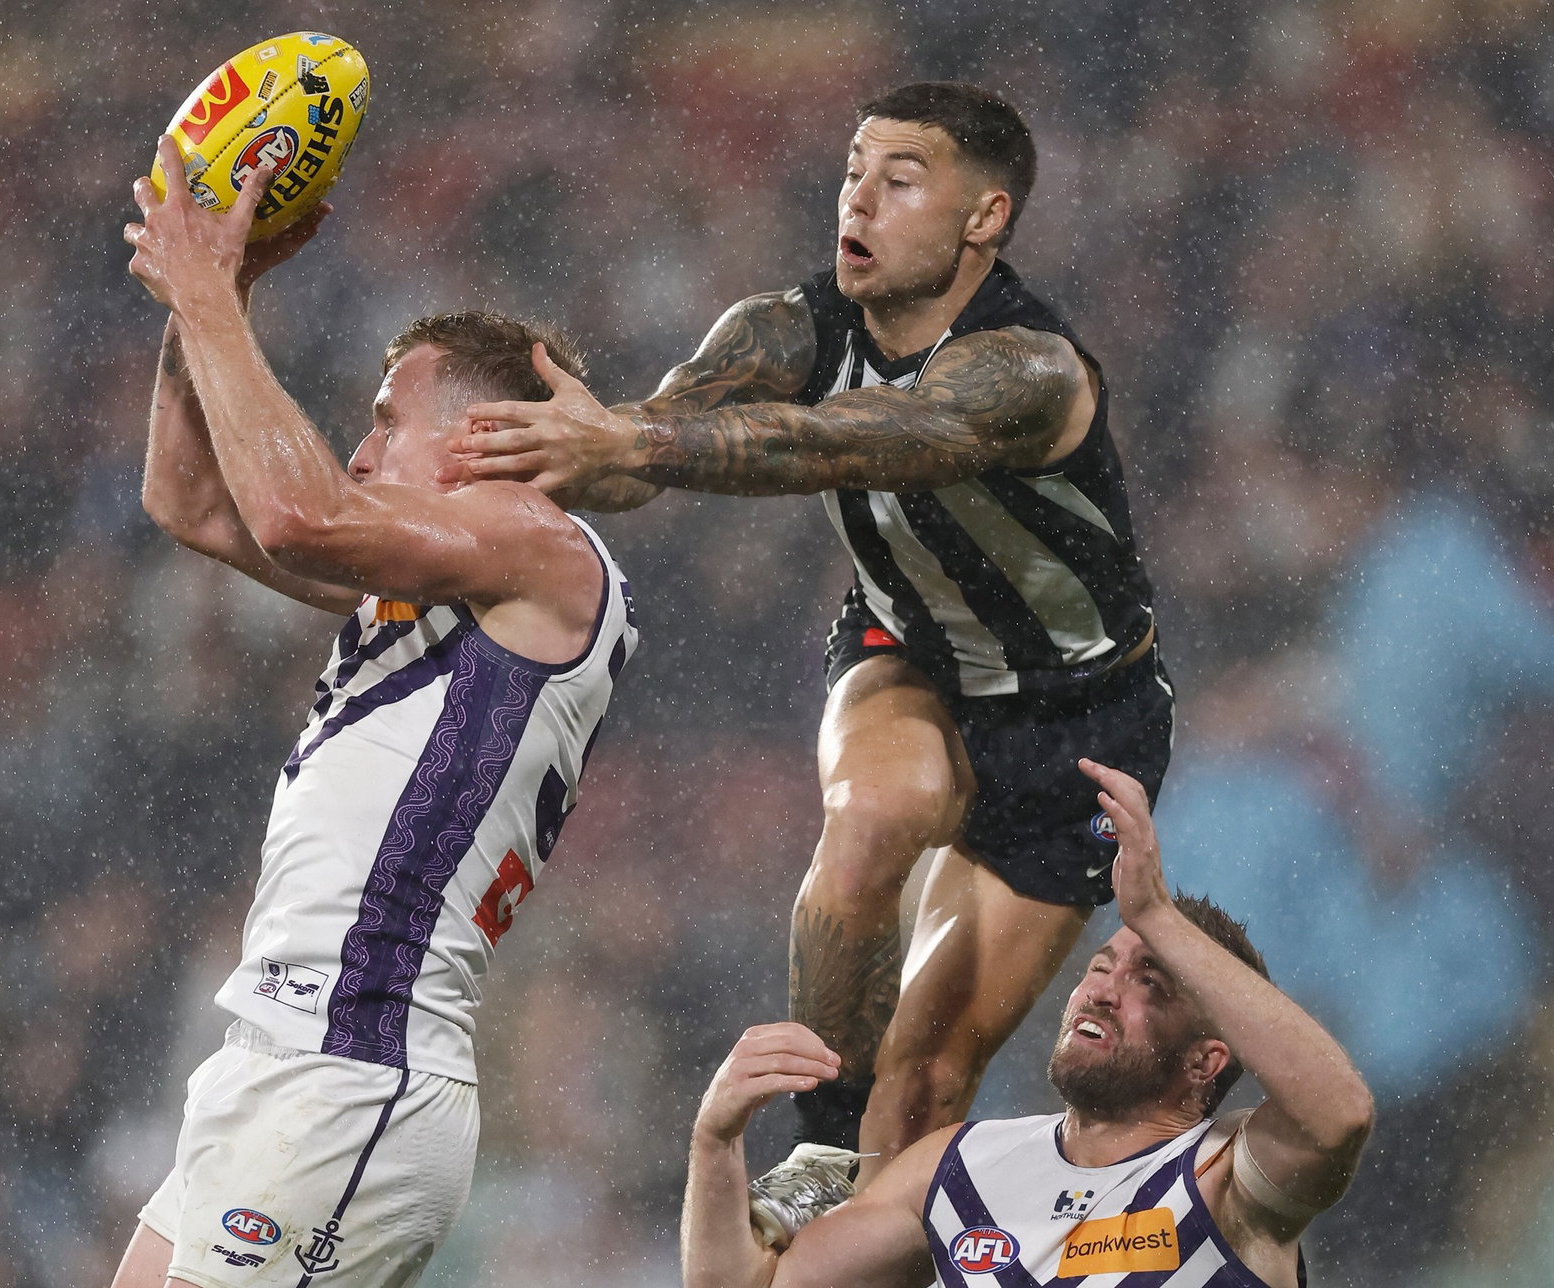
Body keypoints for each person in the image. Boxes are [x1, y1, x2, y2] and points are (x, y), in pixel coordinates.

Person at [443, 81, 1174, 1233]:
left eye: (900, 179)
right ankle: (820, 1145)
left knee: (929, 1082)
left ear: (984, 218)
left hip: (1079, 713)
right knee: (879, 812)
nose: (858, 201)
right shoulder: (785, 326)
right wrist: (561, 453)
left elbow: (846, 439)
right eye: (850, 171)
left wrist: (637, 435)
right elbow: (656, 455)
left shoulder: (1029, 370)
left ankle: (872, 1215)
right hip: (906, 646)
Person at [110, 138, 637, 1288]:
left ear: (482, 439)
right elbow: (191, 499)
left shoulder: (546, 548)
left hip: (355, 1067)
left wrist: (211, 298)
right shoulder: (441, 580)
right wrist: (221, 291)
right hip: (278, 1060)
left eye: (387, 416)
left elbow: (299, 516)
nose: (359, 445)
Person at [681, 758, 1375, 1288]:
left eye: (1150, 982)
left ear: (1205, 1061)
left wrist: (1156, 916)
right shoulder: (959, 1169)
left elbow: (1337, 1113)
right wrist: (716, 1140)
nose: (1103, 991)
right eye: (1101, 966)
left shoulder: (1224, 1175)